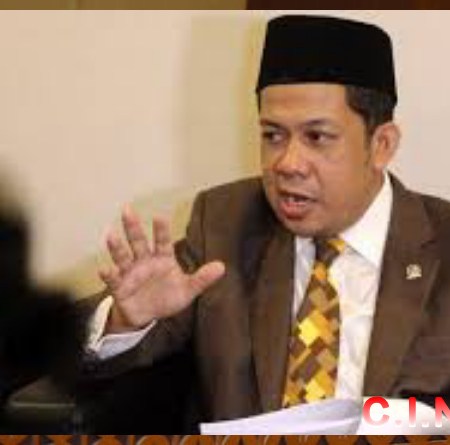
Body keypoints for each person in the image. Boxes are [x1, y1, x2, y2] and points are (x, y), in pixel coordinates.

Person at [78, 15, 450, 432]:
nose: (287, 164)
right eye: (273, 135)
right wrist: (126, 321)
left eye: (317, 137)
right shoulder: (224, 223)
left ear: (381, 145)